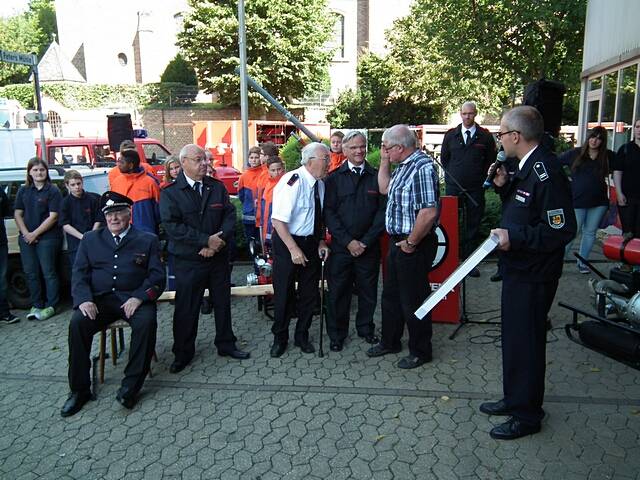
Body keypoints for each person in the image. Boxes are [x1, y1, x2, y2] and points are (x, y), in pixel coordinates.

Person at [480, 106, 575, 440]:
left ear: (516, 137)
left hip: (534, 275)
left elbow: (561, 231)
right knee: (515, 341)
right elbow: (524, 210)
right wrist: (505, 188)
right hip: (518, 269)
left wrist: (513, 237)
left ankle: (527, 415)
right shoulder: (525, 168)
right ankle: (514, 397)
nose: (500, 140)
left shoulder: (546, 171)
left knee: (528, 343)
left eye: (502, 133)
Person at [60, 191, 165, 417]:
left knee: (147, 322)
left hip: (133, 298)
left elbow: (157, 278)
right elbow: (79, 273)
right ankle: (79, 390)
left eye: (118, 212)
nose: (113, 218)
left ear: (129, 214)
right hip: (101, 300)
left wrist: (139, 297)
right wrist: (84, 299)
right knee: (77, 323)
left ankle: (130, 387)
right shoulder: (91, 239)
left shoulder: (147, 240)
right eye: (109, 214)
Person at [160, 144, 249, 374]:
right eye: (199, 160)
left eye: (205, 160)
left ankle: (226, 344)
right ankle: (183, 352)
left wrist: (215, 243)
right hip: (189, 260)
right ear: (184, 163)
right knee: (186, 307)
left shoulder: (216, 188)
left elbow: (229, 216)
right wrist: (204, 241)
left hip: (217, 257)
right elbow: (172, 227)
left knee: (222, 303)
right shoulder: (170, 193)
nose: (205, 164)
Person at [367, 125, 440, 369]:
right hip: (398, 242)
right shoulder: (403, 166)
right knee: (391, 296)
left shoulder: (422, 167)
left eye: (387, 148)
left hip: (413, 243)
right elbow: (384, 188)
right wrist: (385, 162)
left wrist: (411, 243)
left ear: (400, 147)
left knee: (414, 299)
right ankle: (391, 341)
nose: (384, 151)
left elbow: (428, 213)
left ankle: (421, 350)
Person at [324, 131, 386, 351]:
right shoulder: (333, 179)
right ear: (344, 150)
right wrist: (348, 241)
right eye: (354, 148)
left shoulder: (376, 176)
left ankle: (366, 329)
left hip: (368, 248)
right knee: (338, 293)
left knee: (368, 292)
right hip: (341, 248)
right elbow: (329, 213)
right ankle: (337, 335)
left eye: (362, 146)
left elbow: (382, 213)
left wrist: (365, 242)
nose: (359, 151)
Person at [269, 142, 330, 357]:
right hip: (288, 243)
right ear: (311, 160)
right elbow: (277, 221)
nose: (329, 164)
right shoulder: (292, 181)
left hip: (310, 242)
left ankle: (301, 335)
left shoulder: (320, 185)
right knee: (284, 292)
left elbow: (319, 218)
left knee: (309, 293)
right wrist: (294, 249)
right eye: (326, 159)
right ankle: (280, 337)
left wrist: (321, 241)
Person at [440, 101, 497, 277]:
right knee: (450, 223)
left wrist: (480, 178)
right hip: (453, 187)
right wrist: (453, 176)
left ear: (476, 114)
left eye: (471, 113)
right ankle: (451, 260)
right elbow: (444, 159)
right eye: (464, 114)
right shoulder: (451, 135)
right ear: (460, 114)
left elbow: (491, 160)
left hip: (475, 188)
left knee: (473, 225)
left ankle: (469, 263)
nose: (467, 117)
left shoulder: (485, 137)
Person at [559, 126, 614, 273]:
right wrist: (566, 183)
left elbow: (624, 166)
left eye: (598, 138)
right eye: (592, 137)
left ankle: (582, 263)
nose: (594, 141)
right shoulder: (576, 153)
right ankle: (557, 261)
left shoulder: (607, 156)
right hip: (577, 200)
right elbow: (556, 163)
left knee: (590, 232)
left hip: (599, 201)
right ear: (588, 137)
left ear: (602, 142)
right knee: (573, 232)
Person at [14, 158, 63, 322]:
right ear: (29, 172)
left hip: (48, 238)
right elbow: (17, 214)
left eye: (42, 170)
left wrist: (35, 234)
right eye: (35, 170)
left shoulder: (53, 190)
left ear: (46, 171)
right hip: (27, 238)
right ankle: (36, 304)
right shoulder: (23, 191)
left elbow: (54, 216)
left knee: (48, 272)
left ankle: (52, 305)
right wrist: (26, 233)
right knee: (31, 273)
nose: (39, 173)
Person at [110, 148, 161, 235]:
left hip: (145, 234)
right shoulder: (116, 182)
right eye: (118, 161)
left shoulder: (150, 182)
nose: (118, 164)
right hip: (122, 234)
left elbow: (159, 211)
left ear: (130, 165)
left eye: (121, 162)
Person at [59, 170, 102, 270]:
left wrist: (90, 235)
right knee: (79, 271)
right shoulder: (65, 203)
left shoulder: (93, 198)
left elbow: (99, 218)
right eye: (73, 185)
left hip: (94, 240)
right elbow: (65, 224)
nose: (77, 187)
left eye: (78, 183)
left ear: (82, 182)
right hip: (75, 244)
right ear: (67, 185)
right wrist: (82, 237)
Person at [614, 119, 640, 239]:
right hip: (627, 198)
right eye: (638, 127)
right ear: (634, 129)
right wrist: (618, 193)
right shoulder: (625, 149)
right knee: (628, 234)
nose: (639, 130)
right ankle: (626, 258)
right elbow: (618, 172)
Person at [237, 146, 263, 247]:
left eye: (256, 157)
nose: (254, 160)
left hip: (262, 217)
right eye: (251, 158)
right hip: (249, 216)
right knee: (251, 244)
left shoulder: (264, 173)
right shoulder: (244, 176)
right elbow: (241, 196)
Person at [257, 155, 285, 249]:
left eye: (279, 169)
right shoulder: (268, 184)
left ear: (283, 168)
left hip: (280, 229)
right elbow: (263, 207)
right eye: (273, 170)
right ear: (268, 171)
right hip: (267, 227)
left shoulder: (286, 184)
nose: (277, 172)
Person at [0, 186, 18, 325]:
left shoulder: (0, 190)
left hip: (1, 241)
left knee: (2, 279)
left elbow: (8, 211)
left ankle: (4, 313)